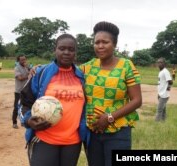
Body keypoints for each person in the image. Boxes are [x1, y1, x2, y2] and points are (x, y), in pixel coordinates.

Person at [79, 21, 142, 166]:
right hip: (92, 132)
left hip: (118, 132)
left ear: (114, 44)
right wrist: (38, 68)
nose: (100, 46)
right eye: (97, 42)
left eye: (105, 42)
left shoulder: (126, 66)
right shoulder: (86, 68)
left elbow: (137, 100)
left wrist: (109, 118)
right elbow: (64, 69)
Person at [20, 34, 87, 166]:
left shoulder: (82, 76)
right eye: (62, 48)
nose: (66, 52)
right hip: (44, 140)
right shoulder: (41, 73)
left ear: (75, 52)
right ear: (55, 49)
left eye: (71, 49)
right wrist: (28, 120)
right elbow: (23, 102)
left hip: (72, 142)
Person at [12, 55, 29, 129]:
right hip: (18, 91)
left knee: (25, 107)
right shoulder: (16, 68)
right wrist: (28, 75)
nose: (24, 61)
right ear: (18, 61)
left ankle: (23, 121)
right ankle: (14, 123)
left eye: (24, 59)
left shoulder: (26, 67)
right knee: (16, 107)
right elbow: (20, 78)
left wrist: (29, 69)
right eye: (22, 60)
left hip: (26, 91)